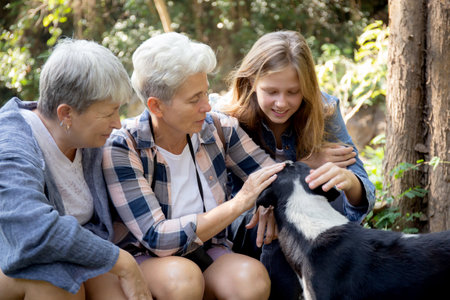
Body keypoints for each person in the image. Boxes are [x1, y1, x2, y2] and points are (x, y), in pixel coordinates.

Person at [102, 32, 286, 300]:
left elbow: (272, 176)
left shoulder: (217, 128)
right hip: (145, 259)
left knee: (251, 280)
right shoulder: (123, 146)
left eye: (206, 92)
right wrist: (240, 203)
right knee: (183, 279)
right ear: (156, 106)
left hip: (208, 249)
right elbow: (156, 238)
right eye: (194, 99)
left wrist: (272, 199)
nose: (207, 106)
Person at [219, 30, 376, 300]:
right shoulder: (227, 120)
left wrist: (350, 182)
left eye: (293, 92)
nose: (282, 103)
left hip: (310, 221)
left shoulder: (323, 108)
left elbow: (365, 191)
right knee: (282, 219)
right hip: (248, 223)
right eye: (271, 91)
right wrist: (304, 164)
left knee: (297, 217)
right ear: (251, 81)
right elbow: (223, 199)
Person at [0, 39, 152, 300]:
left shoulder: (85, 136)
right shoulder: (12, 144)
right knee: (56, 286)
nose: (117, 123)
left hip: (70, 256)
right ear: (66, 113)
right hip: (13, 255)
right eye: (108, 113)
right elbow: (34, 231)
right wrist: (123, 262)